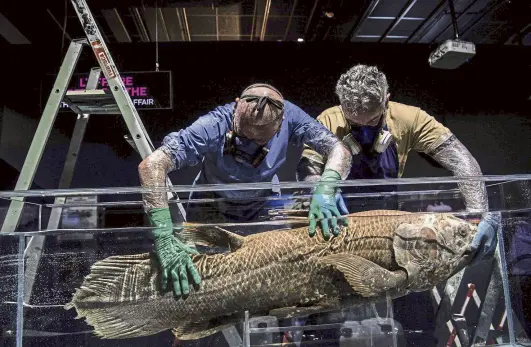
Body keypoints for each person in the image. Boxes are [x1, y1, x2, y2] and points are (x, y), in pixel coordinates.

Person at [138, 83, 352, 298]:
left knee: (264, 279)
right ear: (236, 105)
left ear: (281, 123)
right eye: (243, 134)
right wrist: (163, 237)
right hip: (210, 205)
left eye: (259, 140)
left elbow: (339, 150)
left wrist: (326, 188)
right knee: (201, 282)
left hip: (261, 206)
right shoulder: (213, 125)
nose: (248, 144)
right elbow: (152, 165)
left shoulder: (293, 117)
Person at [296, 64, 499, 262]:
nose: (363, 130)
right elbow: (308, 166)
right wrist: (320, 191)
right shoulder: (328, 120)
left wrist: (478, 216)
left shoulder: (409, 118)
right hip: (336, 216)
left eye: (372, 121)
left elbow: (462, 161)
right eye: (355, 124)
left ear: (386, 101)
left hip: (386, 217)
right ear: (342, 105)